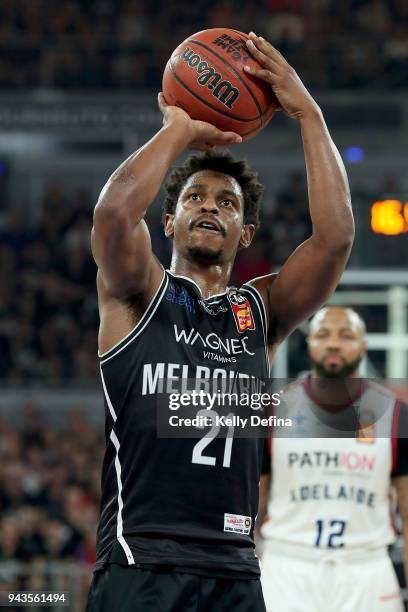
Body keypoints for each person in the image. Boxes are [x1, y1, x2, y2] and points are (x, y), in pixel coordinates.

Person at [86, 32, 354, 612]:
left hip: (235, 568)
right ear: (169, 222)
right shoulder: (137, 293)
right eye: (195, 198)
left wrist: (307, 111)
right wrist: (179, 129)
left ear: (246, 234)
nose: (210, 206)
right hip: (143, 562)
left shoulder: (259, 313)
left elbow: (334, 241)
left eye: (227, 203)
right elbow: (111, 215)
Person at [259, 306, 408, 612]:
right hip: (287, 564)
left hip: (366, 567)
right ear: (310, 343)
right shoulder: (274, 410)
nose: (334, 343)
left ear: (364, 344)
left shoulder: (396, 415)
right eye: (323, 335)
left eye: (346, 335)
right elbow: (250, 508)